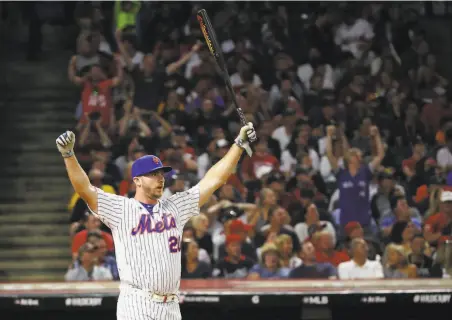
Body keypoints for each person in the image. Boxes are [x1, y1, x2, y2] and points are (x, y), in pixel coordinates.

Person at [55, 122, 256, 320]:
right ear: (137, 180)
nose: (160, 179)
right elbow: (85, 189)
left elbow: (214, 179)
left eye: (161, 174)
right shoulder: (122, 209)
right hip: (137, 303)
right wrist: (68, 155)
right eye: (153, 175)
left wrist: (238, 145)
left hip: (171, 306)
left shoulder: (175, 206)